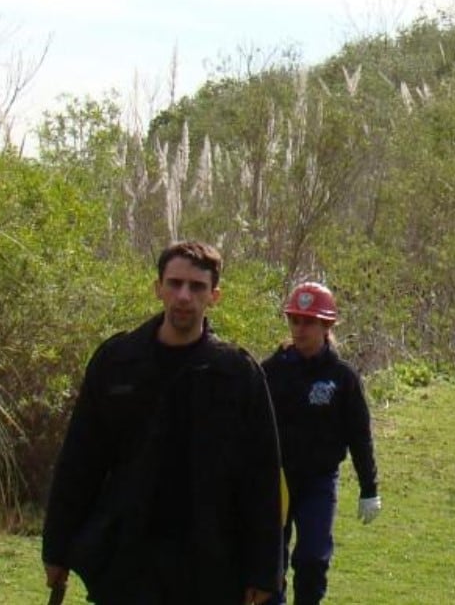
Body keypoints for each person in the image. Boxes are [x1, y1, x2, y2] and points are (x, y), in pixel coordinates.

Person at [42, 241, 284, 605]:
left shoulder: (237, 373)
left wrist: (265, 570)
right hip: (127, 556)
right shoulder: (116, 362)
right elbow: (80, 460)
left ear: (214, 296)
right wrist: (57, 548)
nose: (184, 296)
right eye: (174, 284)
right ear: (158, 288)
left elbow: (262, 477)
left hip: (210, 560)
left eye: (197, 287)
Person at [261, 282, 381, 605]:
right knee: (270, 562)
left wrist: (369, 487)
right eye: (295, 320)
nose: (300, 329)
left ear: (326, 326)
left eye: (309, 322)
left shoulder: (342, 378)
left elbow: (359, 434)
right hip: (277, 481)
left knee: (313, 558)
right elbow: (250, 428)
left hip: (318, 481)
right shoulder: (269, 372)